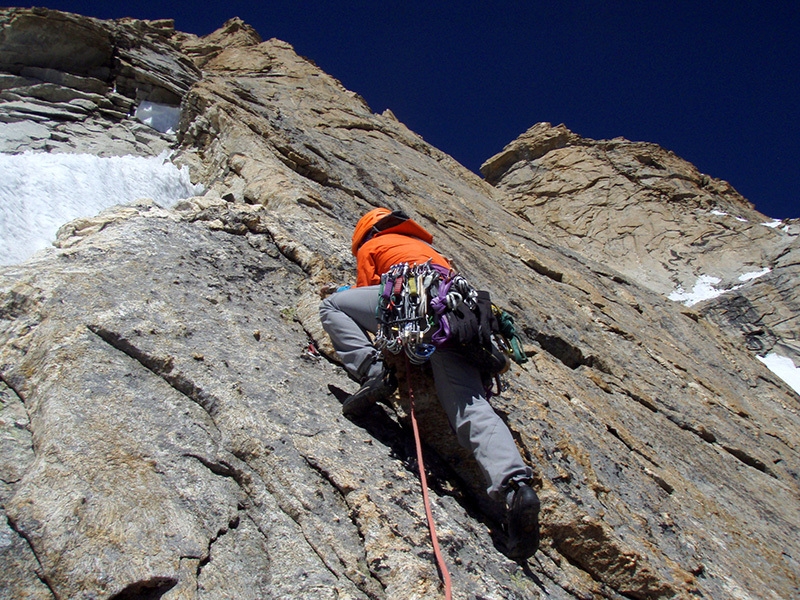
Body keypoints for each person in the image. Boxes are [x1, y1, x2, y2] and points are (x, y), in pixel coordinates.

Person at [319, 207, 541, 560]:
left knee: (333, 306)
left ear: (366, 233)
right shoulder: (430, 250)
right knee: (469, 405)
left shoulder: (374, 246)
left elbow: (374, 290)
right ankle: (516, 487)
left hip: (411, 302)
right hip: (454, 316)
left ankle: (372, 369)